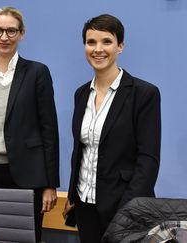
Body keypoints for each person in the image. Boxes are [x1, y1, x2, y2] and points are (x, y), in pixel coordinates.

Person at [62, 14, 161, 242]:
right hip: (85, 206)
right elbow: (80, 151)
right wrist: (72, 194)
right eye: (91, 42)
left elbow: (148, 159)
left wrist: (128, 209)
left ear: (120, 46)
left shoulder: (144, 94)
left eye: (107, 41)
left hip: (124, 208)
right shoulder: (81, 94)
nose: (98, 49)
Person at [0, 7, 60, 242]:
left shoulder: (37, 72)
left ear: (22, 33)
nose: (4, 37)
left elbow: (49, 130)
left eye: (11, 31)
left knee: (25, 238)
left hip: (28, 177)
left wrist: (50, 184)